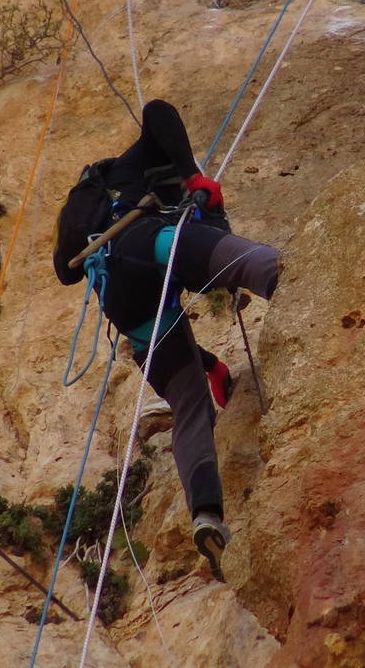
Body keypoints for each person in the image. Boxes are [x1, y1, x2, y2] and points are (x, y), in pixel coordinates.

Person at [97, 99, 279, 580]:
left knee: (191, 405)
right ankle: (327, 298)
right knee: (264, 264)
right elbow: (157, 109)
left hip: (128, 305)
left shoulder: (97, 206)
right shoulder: (138, 167)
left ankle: (206, 515)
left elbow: (65, 269)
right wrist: (195, 177)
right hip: (150, 244)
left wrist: (210, 365)